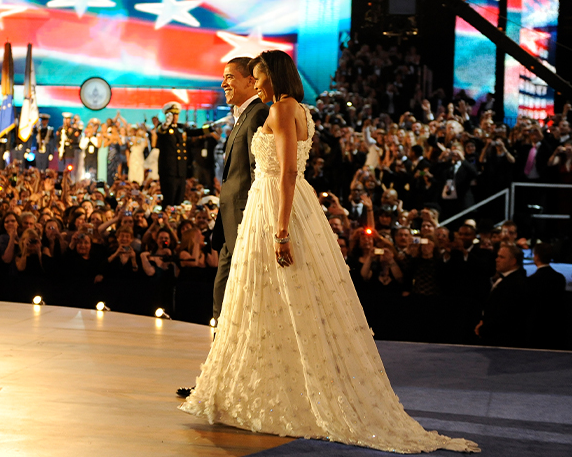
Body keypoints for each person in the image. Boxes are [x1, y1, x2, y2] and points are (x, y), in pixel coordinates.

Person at [180, 50, 478, 453]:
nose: (257, 81)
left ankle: (291, 393)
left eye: (259, 74)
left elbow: (286, 171)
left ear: (273, 76)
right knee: (272, 299)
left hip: (276, 206)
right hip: (278, 205)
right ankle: (274, 384)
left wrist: (281, 230)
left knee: (277, 295)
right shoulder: (297, 109)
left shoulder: (284, 110)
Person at [176, 56, 268, 398]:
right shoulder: (242, 116)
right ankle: (216, 380)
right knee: (223, 304)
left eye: (229, 77)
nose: (223, 83)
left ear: (249, 80)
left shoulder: (258, 114)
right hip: (231, 228)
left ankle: (227, 383)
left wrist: (249, 225)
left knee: (234, 305)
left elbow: (260, 175)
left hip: (246, 226)